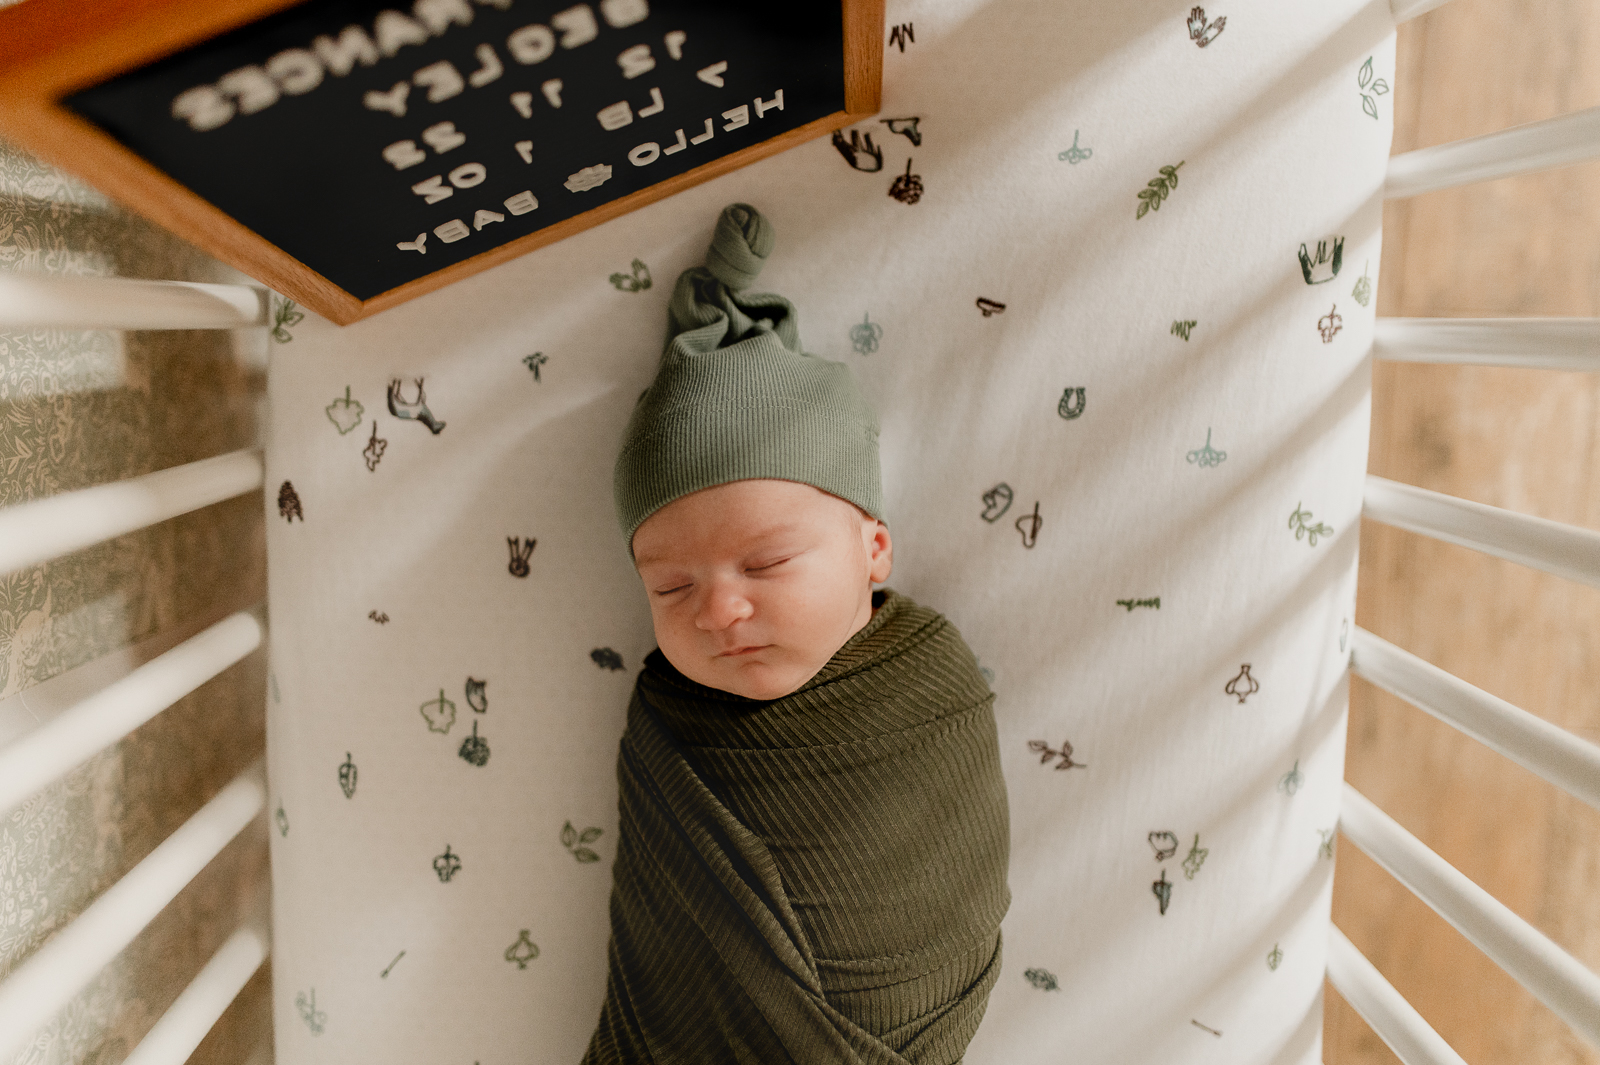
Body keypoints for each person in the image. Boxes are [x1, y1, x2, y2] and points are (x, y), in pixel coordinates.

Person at [586, 203, 1010, 1064]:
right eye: (669, 585)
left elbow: (957, 882)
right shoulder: (669, 720)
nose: (716, 610)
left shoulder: (931, 687)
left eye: (767, 563)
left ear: (874, 548)